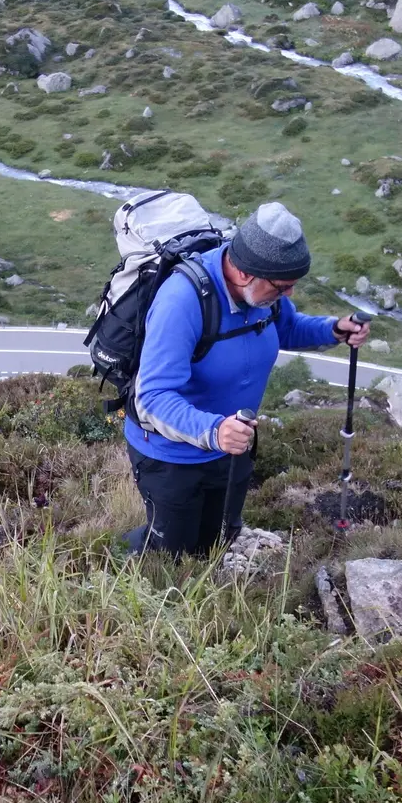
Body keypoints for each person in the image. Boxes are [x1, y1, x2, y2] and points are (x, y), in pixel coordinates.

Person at [125, 201, 371, 555]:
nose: (289, 294)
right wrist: (213, 431)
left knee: (218, 540)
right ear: (244, 274)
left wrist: (333, 330)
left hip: (232, 448)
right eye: (283, 286)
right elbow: (153, 396)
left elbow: (284, 327)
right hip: (171, 456)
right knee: (170, 551)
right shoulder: (182, 301)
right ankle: (117, 558)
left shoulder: (262, 292)